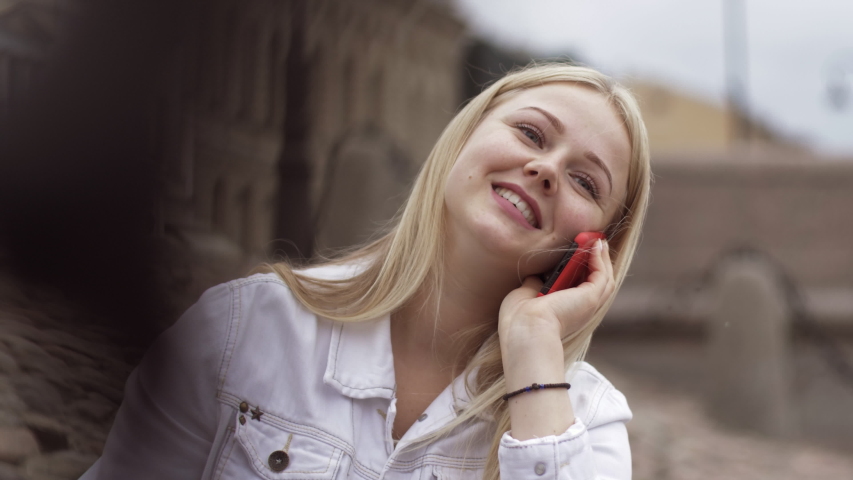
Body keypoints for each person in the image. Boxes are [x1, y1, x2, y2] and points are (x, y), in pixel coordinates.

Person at [81, 63, 651, 480]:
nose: (546, 168)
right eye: (530, 132)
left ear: (597, 246)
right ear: (466, 137)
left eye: (586, 182)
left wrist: (532, 352)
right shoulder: (245, 327)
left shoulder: (589, 423)